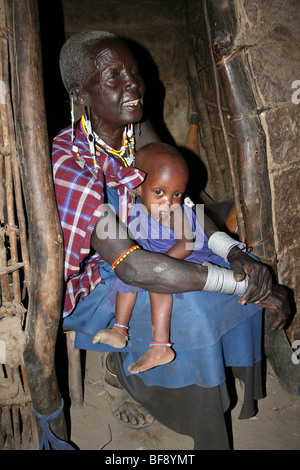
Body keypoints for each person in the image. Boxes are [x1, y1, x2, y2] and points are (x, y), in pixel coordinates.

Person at [52, 30, 290, 449]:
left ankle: (235, 369)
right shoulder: (71, 165)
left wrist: (232, 252)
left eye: (134, 72)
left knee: (245, 263)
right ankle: (126, 372)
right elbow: (132, 265)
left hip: (152, 247)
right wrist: (236, 283)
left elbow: (182, 207)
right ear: (79, 94)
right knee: (193, 306)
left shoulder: (135, 129)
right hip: (101, 275)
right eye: (113, 77)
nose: (133, 85)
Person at [92, 142, 246, 375]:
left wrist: (160, 264)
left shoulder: (176, 213)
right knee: (125, 279)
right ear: (137, 189)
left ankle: (160, 346)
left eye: (177, 194)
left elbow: (187, 243)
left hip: (182, 253)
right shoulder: (133, 207)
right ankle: (119, 330)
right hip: (153, 254)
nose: (169, 202)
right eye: (159, 192)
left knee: (159, 283)